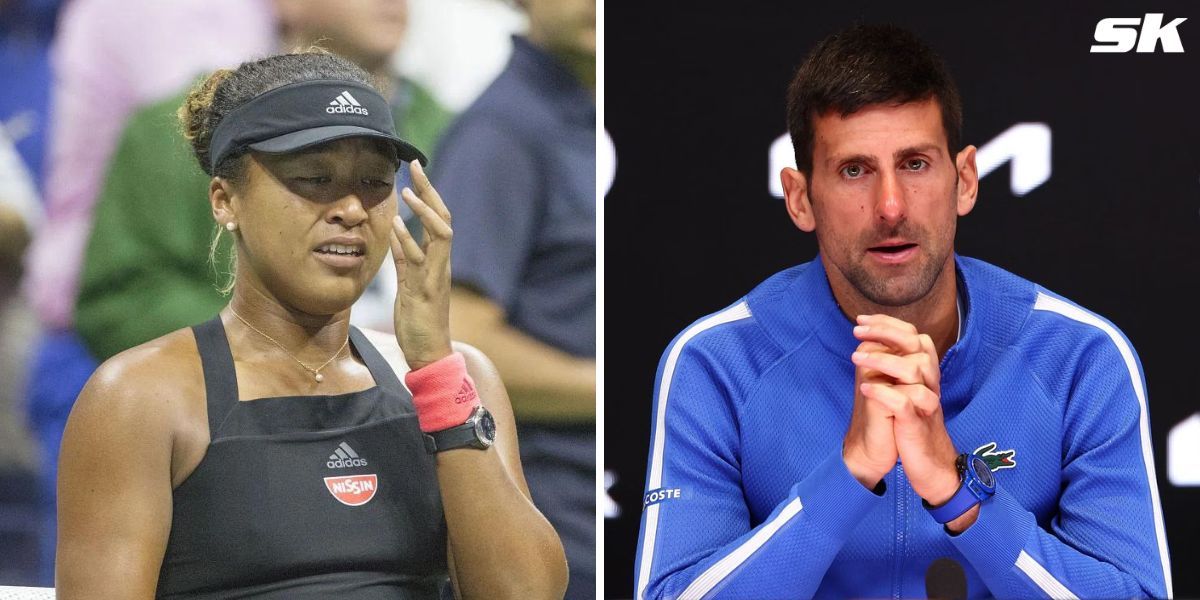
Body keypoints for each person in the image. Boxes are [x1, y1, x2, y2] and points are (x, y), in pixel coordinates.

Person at [634, 24, 1171, 600]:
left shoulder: (1079, 356)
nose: (890, 207)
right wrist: (849, 475)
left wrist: (958, 493)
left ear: (964, 180)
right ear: (799, 197)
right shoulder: (716, 362)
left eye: (915, 164)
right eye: (854, 170)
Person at [54, 51, 566, 599]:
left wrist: (436, 371)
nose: (351, 208)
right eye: (313, 178)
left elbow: (526, 593)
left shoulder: (460, 380)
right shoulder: (139, 398)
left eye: (374, 182)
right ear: (226, 201)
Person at [431, 0, 595, 597]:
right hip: (557, 503)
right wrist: (617, 388)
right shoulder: (500, 133)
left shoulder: (601, 116)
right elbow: (456, 344)